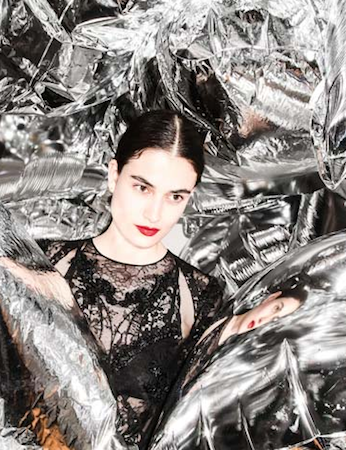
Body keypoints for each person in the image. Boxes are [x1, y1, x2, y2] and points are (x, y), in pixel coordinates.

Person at [38, 110, 223, 449]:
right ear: (114, 175)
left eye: (175, 196)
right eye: (142, 187)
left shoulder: (200, 295)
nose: (155, 213)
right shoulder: (46, 261)